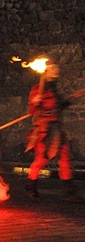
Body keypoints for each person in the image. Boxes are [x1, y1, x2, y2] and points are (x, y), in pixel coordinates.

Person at [24, 62, 84, 202]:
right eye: (52, 69)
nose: (56, 70)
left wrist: (73, 97)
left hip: (56, 130)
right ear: (46, 73)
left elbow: (59, 107)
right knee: (41, 160)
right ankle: (30, 187)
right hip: (44, 131)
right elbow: (32, 112)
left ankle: (69, 191)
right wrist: (35, 102)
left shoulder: (53, 90)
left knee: (64, 159)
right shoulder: (38, 90)